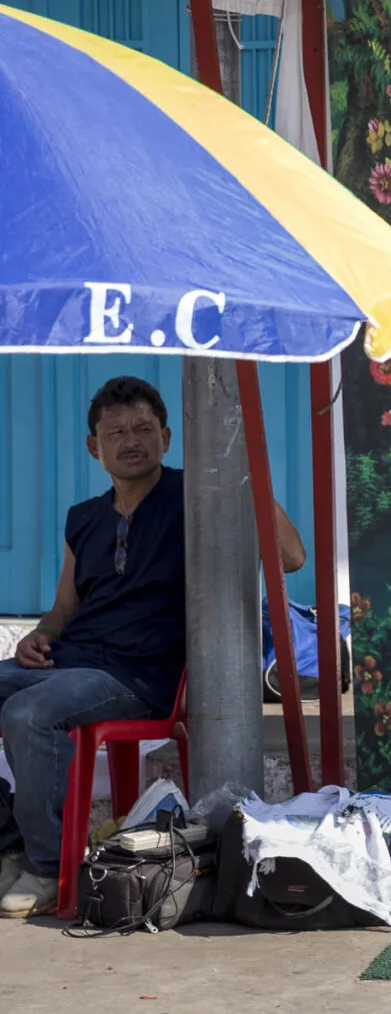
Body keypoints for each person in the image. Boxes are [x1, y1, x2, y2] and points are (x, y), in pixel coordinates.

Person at [0, 375, 306, 918]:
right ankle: (8, 844)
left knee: (28, 711)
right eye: (115, 431)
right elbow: (64, 609)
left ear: (167, 437)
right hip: (72, 663)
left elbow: (290, 558)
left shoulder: (201, 498)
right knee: (22, 694)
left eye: (144, 428)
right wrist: (41, 635)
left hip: (136, 675)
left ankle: (46, 868)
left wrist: (244, 476)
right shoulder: (84, 519)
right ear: (94, 447)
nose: (131, 439)